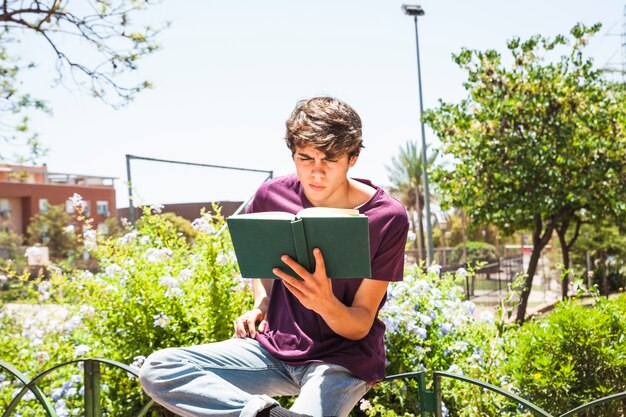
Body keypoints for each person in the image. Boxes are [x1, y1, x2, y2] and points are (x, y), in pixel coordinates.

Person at [139, 97, 409, 417]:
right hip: (272, 352)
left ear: (353, 158)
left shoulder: (387, 217)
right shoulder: (270, 196)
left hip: (342, 360)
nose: (316, 172)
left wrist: (323, 301)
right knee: (158, 368)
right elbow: (262, 267)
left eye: (330, 160)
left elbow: (359, 325)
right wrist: (261, 304)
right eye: (304, 158)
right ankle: (260, 413)